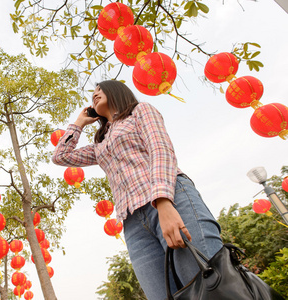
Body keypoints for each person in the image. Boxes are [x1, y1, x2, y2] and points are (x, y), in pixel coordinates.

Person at [52, 80, 223, 300]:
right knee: (161, 295)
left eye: (99, 90)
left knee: (207, 285)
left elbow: (160, 149)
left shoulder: (140, 111)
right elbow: (61, 156)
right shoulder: (100, 145)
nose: (94, 95)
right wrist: (79, 123)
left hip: (170, 198)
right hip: (133, 224)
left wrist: (163, 201)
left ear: (116, 91)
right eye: (92, 94)